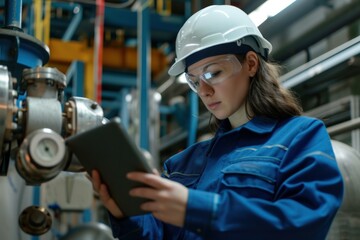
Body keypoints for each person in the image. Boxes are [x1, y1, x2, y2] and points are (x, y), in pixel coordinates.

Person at [91, 5, 344, 240]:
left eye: (213, 73)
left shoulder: (299, 137)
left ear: (251, 64)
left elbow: (306, 222)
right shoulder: (182, 164)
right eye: (194, 80)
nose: (204, 90)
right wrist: (126, 213)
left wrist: (199, 209)